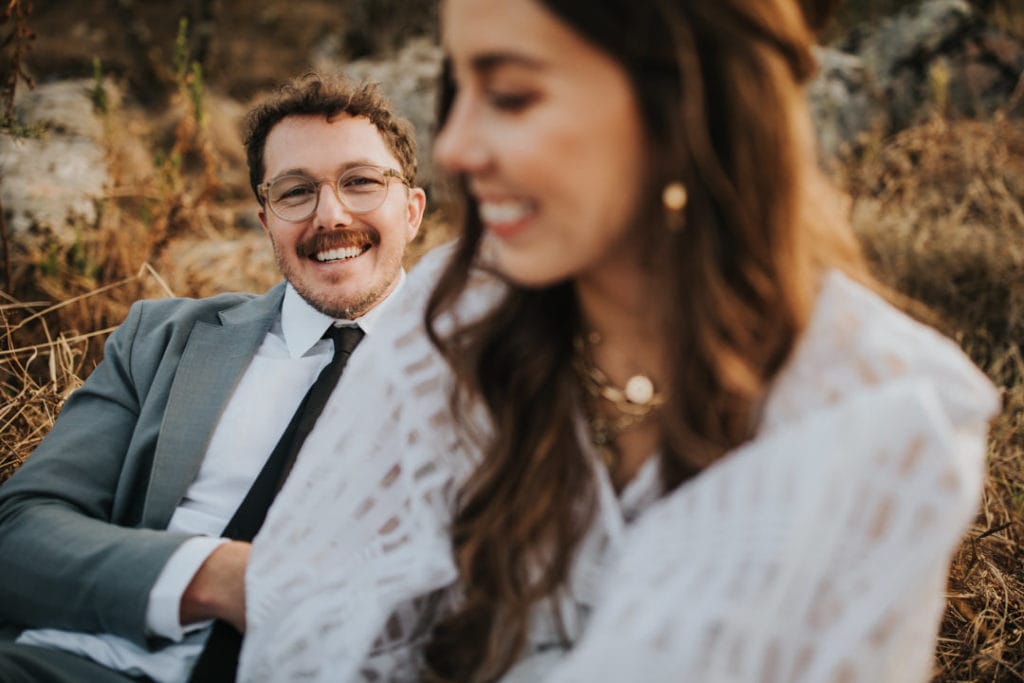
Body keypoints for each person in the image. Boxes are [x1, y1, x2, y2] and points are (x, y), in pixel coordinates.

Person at [239, 1, 1000, 681]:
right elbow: (305, 633)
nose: (458, 147)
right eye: (457, 91)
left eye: (511, 95)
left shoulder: (887, 425)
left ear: (682, 105)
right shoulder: (449, 324)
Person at [0, 72, 426, 682]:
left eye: (360, 182)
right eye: (295, 191)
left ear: (411, 210)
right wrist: (219, 577)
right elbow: (19, 533)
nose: (330, 215)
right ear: (264, 220)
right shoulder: (160, 339)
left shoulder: (488, 370)